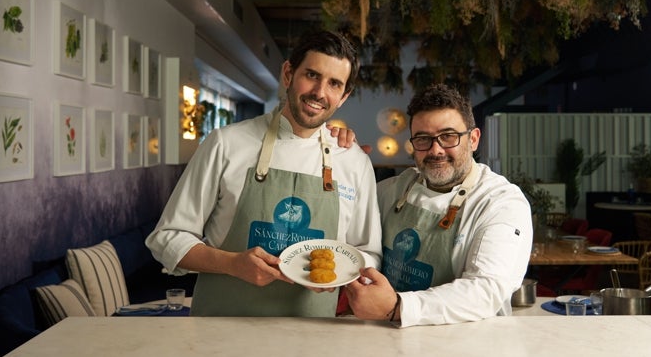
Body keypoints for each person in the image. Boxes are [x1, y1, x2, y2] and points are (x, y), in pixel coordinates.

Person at [146, 30, 382, 317]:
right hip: (221, 331)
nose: (320, 93)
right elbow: (168, 237)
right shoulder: (225, 143)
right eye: (311, 75)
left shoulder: (354, 161)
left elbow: (367, 253)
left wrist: (341, 274)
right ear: (288, 74)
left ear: (344, 96)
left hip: (314, 336)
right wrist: (231, 264)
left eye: (334, 84)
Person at [341, 83, 533, 327]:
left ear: (473, 139)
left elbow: (486, 290)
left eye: (448, 136)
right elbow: (348, 220)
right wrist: (344, 162)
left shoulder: (500, 202)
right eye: (423, 139)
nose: (436, 150)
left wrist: (397, 307)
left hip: (466, 345)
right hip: (390, 338)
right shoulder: (395, 189)